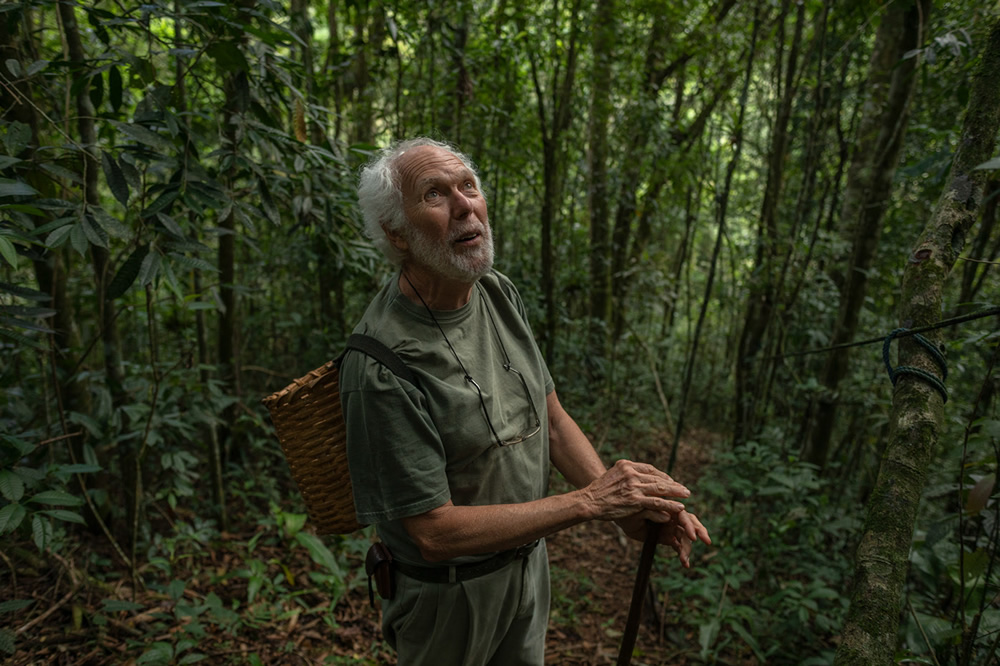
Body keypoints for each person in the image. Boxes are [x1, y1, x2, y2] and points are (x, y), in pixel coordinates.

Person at [341, 137, 710, 665]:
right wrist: (590, 503)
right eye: (435, 194)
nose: (466, 205)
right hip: (448, 598)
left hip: (526, 570)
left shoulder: (497, 293)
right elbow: (434, 533)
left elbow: (553, 420)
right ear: (396, 233)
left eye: (468, 186)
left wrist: (624, 514)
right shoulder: (380, 361)